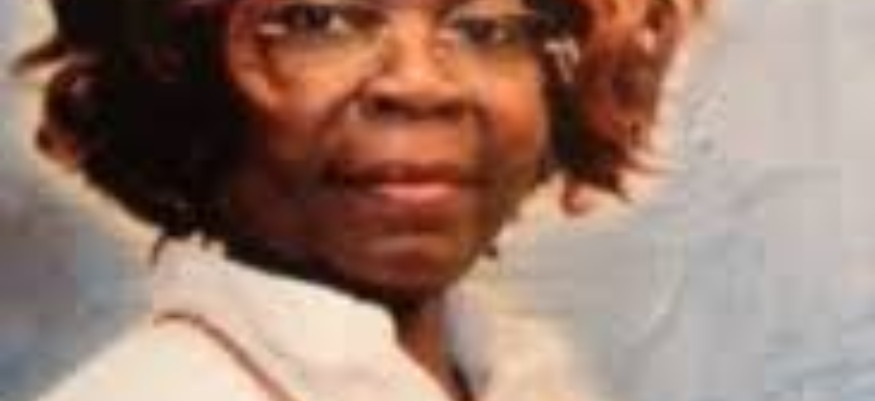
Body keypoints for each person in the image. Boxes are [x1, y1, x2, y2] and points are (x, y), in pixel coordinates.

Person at [15, 0, 704, 400]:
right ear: (179, 78)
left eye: (488, 29)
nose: (421, 85)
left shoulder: (525, 376)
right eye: (319, 19)